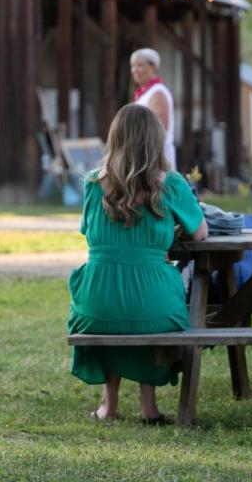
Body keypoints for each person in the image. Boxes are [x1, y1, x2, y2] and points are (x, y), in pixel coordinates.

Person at [68, 104, 207, 423]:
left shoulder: (92, 183)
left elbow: (90, 232)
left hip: (97, 298)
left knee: (113, 310)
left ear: (114, 139)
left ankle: (109, 405)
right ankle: (149, 406)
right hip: (153, 299)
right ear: (155, 140)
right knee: (149, 309)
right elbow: (200, 233)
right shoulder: (170, 183)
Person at [129, 48, 176, 169]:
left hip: (156, 160)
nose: (135, 70)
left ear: (154, 67)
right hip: (143, 158)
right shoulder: (144, 94)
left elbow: (158, 130)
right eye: (133, 66)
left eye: (140, 65)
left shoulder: (158, 93)